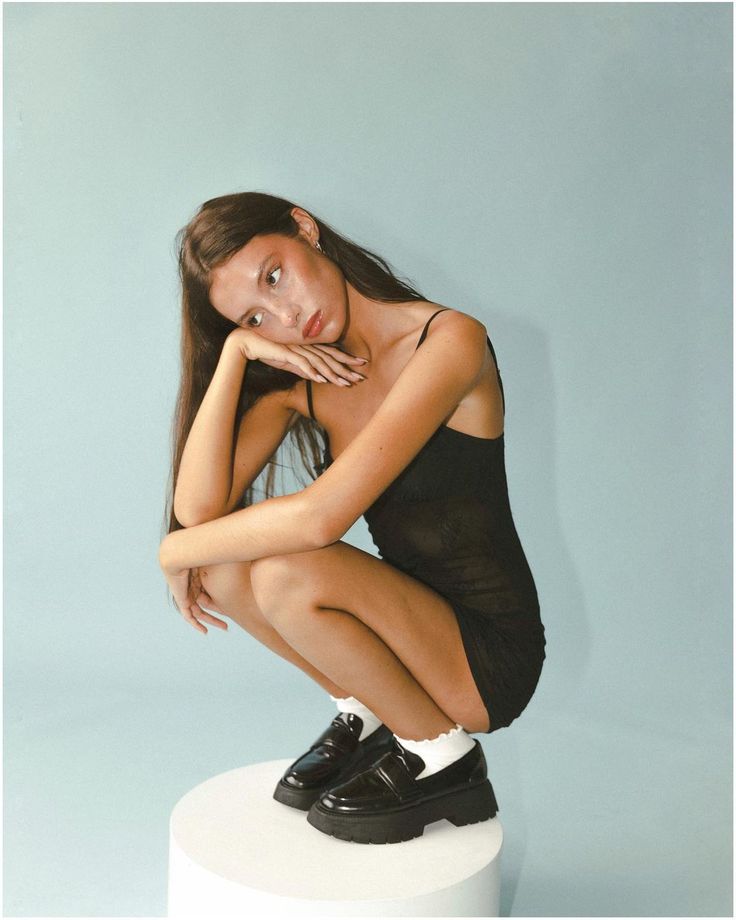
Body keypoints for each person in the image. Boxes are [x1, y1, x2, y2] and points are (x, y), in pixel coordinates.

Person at [158, 191, 546, 845]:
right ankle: (366, 707)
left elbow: (318, 520)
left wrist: (172, 552)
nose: (285, 315)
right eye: (255, 314)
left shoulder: (448, 341)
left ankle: (443, 758)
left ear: (304, 229)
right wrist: (236, 356)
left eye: (273, 275)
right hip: (399, 637)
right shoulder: (308, 380)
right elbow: (196, 510)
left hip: (484, 657)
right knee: (224, 567)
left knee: (283, 571)